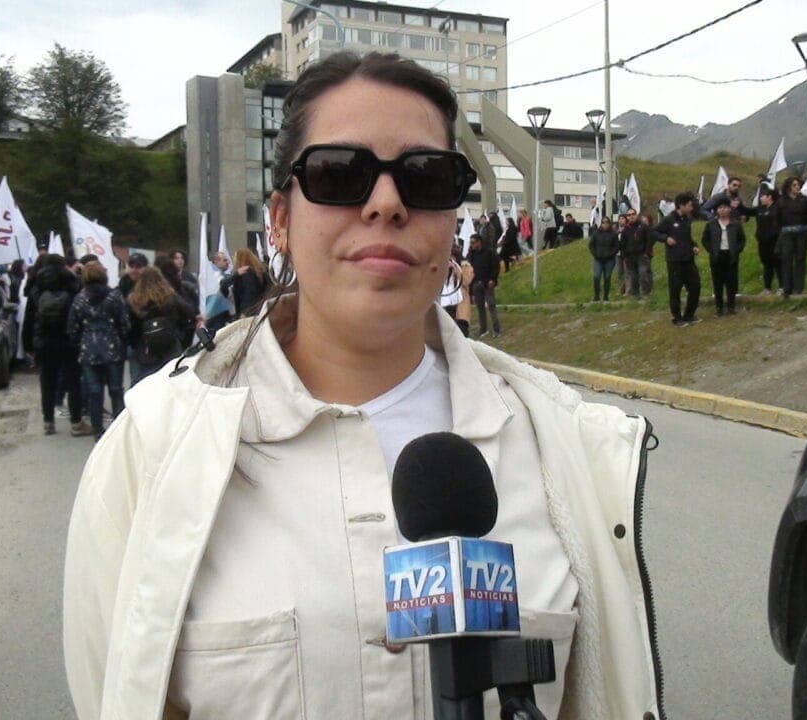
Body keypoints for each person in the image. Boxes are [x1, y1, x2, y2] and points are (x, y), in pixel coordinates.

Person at [63, 50, 662, 720]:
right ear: (281, 221)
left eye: (426, 177)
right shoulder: (150, 454)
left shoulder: (561, 450)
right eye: (339, 174)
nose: (386, 203)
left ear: (450, 219)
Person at [23, 253, 91, 436]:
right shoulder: (72, 284)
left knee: (47, 382)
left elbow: (28, 319)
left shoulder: (35, 287)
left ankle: (48, 422)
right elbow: (80, 312)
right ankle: (76, 423)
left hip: (43, 341)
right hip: (68, 341)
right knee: (73, 382)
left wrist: (27, 345)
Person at [67, 261, 129, 439]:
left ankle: (97, 430)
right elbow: (124, 323)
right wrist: (121, 340)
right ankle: (119, 430)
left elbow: (72, 327)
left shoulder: (79, 298)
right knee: (116, 390)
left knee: (95, 392)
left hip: (89, 350)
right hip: (113, 348)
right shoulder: (114, 296)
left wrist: (79, 342)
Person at [126, 266, 195, 382]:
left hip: (146, 349)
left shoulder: (134, 300)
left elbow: (130, 327)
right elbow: (190, 314)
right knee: (171, 382)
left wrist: (135, 344)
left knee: (146, 383)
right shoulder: (170, 297)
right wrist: (182, 337)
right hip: (170, 346)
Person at [656, 191, 701, 326]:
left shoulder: (687, 220)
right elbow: (654, 231)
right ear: (681, 205)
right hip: (674, 260)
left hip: (688, 259)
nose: (691, 208)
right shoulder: (669, 219)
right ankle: (677, 317)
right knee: (675, 289)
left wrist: (694, 246)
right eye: (689, 205)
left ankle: (689, 314)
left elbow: (687, 238)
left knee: (695, 285)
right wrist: (665, 238)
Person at [701, 198, 747, 315]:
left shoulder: (735, 224)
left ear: (729, 209)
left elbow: (742, 239)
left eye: (725, 207)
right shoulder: (711, 224)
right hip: (717, 255)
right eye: (720, 208)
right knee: (718, 282)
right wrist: (712, 250)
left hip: (731, 255)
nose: (722, 210)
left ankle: (731, 307)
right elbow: (705, 239)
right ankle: (719, 307)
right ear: (717, 210)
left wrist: (737, 250)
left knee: (731, 282)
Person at [776, 176, 807, 298]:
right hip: (787, 233)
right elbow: (777, 218)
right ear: (788, 187)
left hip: (803, 233)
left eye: (798, 184)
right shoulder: (781, 201)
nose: (797, 187)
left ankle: (799, 287)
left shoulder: (805, 200)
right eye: (794, 185)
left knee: (800, 258)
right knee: (787, 259)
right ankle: (787, 287)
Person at [466, 232, 501, 336]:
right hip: (476, 284)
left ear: (479, 242)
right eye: (470, 243)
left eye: (473, 243)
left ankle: (496, 329)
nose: (471, 245)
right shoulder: (471, 254)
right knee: (480, 307)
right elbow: (469, 268)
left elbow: (496, 266)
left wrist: (493, 279)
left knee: (491, 305)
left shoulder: (489, 252)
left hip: (487, 283)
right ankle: (483, 329)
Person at [220, 248, 268, 319]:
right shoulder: (259, 272)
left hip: (248, 313)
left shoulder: (246, 274)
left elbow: (250, 294)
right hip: (260, 310)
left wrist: (245, 313)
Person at [754, 188, 783, 294]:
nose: (761, 198)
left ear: (769, 197)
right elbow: (748, 211)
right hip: (762, 241)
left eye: (763, 196)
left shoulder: (777, 209)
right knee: (767, 264)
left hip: (775, 241)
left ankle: (782, 287)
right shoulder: (760, 209)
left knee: (778, 263)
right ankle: (767, 288)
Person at [588, 215, 619, 302]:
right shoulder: (596, 233)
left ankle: (606, 296)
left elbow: (616, 246)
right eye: (603, 222)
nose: (605, 224)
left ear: (610, 224)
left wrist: (611, 254)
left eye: (607, 222)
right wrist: (595, 254)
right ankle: (596, 295)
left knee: (607, 277)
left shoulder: (613, 234)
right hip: (598, 259)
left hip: (609, 260)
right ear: (601, 223)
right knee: (596, 276)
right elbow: (591, 245)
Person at [203, 251, 236, 333]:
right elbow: (222, 287)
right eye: (224, 260)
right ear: (216, 262)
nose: (228, 262)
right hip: (216, 315)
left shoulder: (222, 274)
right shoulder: (215, 275)